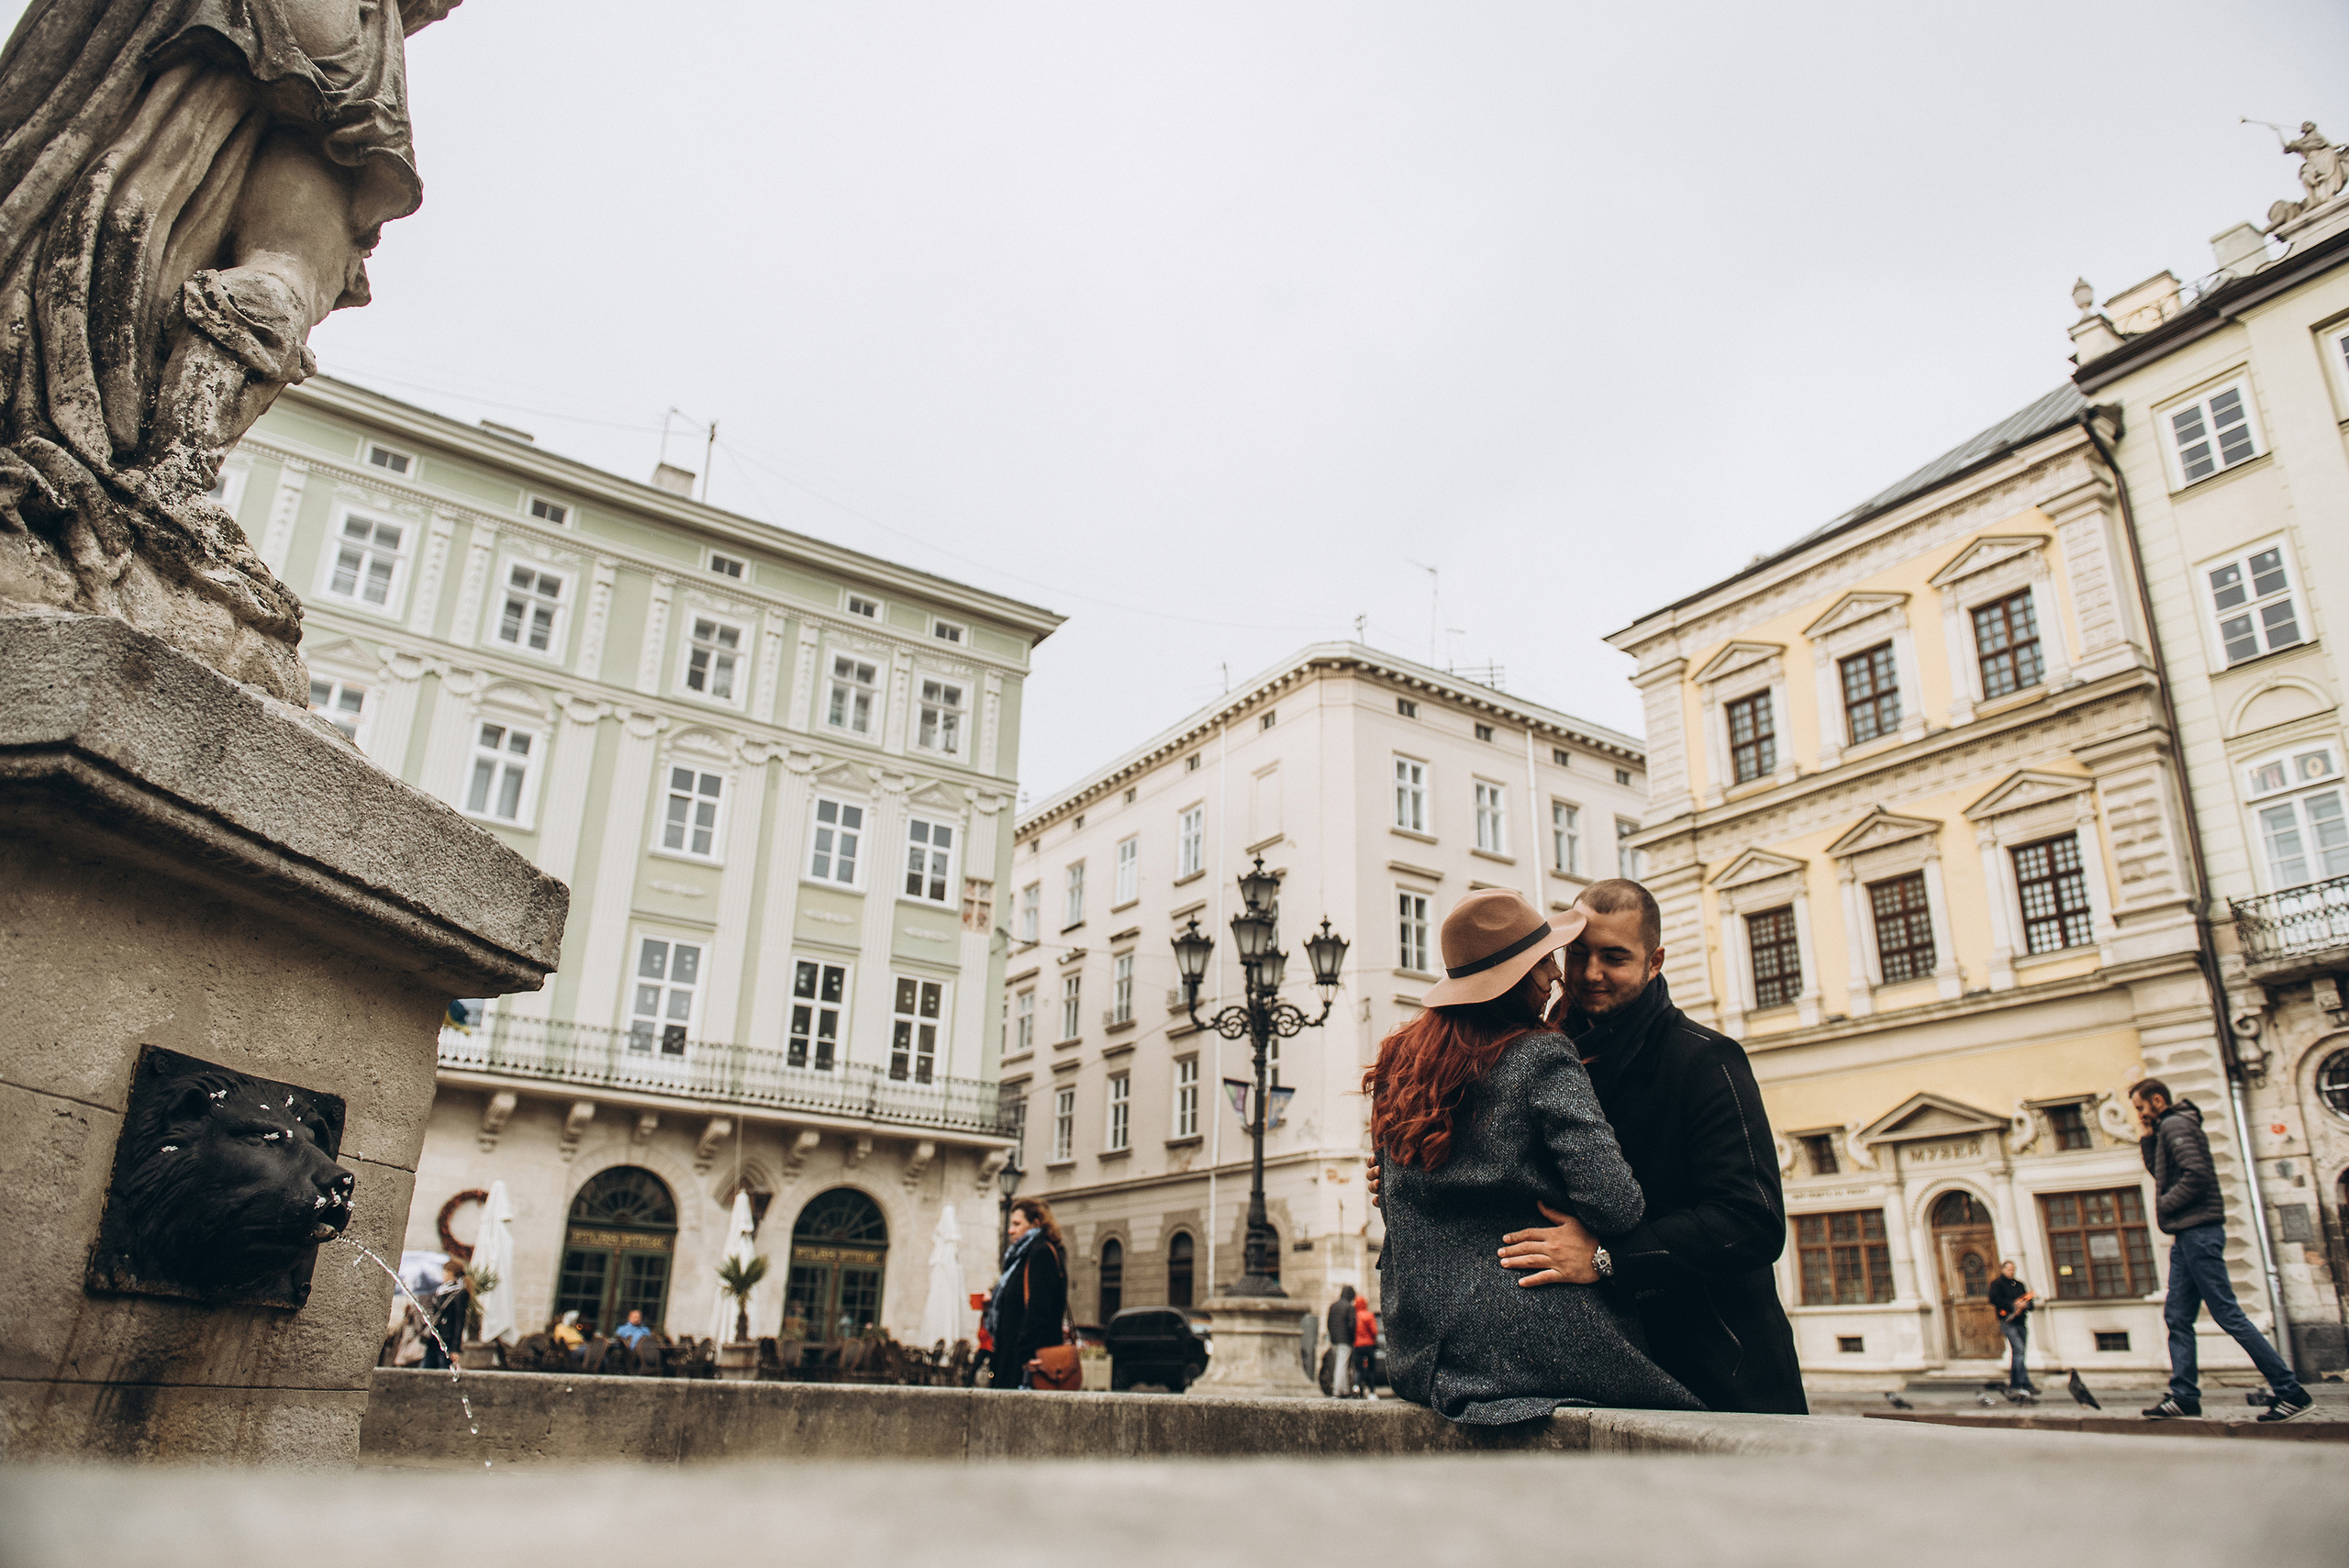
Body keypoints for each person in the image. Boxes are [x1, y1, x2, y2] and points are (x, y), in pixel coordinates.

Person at [1371, 879, 1804, 1415]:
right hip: (1583, 1352)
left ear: (1655, 961)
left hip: (1710, 1361)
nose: (1590, 974)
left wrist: (1607, 1258)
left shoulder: (1705, 1060)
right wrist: (1413, 1173)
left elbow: (1752, 1221)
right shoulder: (1535, 1049)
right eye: (1577, 955)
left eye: (1615, 957)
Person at [2132, 1078, 2311, 1421]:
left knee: (2228, 1314)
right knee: (2177, 1317)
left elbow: (2196, 1176)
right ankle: (2184, 1396)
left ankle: (2291, 1392)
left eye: (2141, 1107)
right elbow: (2162, 1172)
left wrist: (2166, 1206)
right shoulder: (2166, 1128)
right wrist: (2146, 1136)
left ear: (2157, 1100)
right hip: (2188, 1236)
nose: (2140, 1114)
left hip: (2198, 1232)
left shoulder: (2176, 1124)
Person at [984, 1196, 1068, 1389]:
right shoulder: (1020, 1257)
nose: (1010, 1230)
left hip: (1027, 1363)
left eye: (1017, 1224)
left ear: (1036, 1224)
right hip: (1011, 1357)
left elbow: (1039, 1310)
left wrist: (1026, 1354)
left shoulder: (1041, 1253)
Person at [1987, 1261, 2036, 1398]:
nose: (2012, 1272)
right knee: (2019, 1350)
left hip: (2021, 1322)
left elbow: (2030, 1304)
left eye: (2013, 1269)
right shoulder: (1997, 1284)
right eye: (2009, 1269)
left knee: (2019, 1353)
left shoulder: (2019, 1285)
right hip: (2007, 1322)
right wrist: (2012, 1305)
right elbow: (1994, 1299)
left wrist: (2024, 1305)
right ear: (2003, 1270)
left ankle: (2014, 1383)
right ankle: (2025, 1383)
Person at [421, 1258, 468, 1371]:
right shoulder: (440, 1291)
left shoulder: (459, 1292)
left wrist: (455, 1348)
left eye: (444, 1272)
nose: (442, 1275)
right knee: (425, 1369)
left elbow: (459, 1320)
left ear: (450, 1273)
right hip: (434, 1337)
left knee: (444, 1370)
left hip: (447, 1338)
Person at [1325, 1284, 1357, 1396]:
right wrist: (1352, 1339)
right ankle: (1338, 1390)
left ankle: (1345, 1390)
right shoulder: (1349, 1307)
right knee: (1342, 1364)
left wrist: (1332, 1335)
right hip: (1345, 1340)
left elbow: (1328, 1323)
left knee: (1339, 1363)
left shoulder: (1333, 1306)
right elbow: (1352, 1325)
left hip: (1334, 1339)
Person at [1351, 1289, 1380, 1399]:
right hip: (1369, 1345)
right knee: (1371, 1369)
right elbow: (1374, 1331)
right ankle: (1372, 1391)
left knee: (1358, 1369)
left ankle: (1357, 1387)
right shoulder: (1369, 1315)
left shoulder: (1354, 1316)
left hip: (1357, 1345)